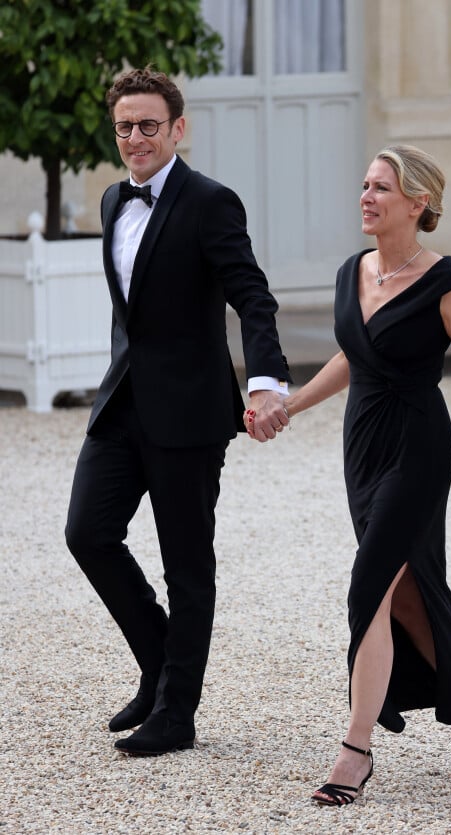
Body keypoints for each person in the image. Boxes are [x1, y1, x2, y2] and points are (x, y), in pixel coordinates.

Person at [246, 145, 451, 805]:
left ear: (417, 201)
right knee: (408, 593)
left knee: (368, 585)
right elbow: (354, 355)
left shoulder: (446, 283)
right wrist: (290, 404)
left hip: (419, 448)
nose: (366, 197)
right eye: (365, 185)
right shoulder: (353, 271)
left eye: (380, 188)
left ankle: (355, 748)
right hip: (363, 447)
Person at [65, 67, 291, 756]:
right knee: (88, 532)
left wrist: (266, 381)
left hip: (190, 412)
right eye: (125, 127)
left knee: (187, 564)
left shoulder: (211, 203)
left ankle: (176, 711)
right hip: (123, 400)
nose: (136, 137)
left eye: (149, 126)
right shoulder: (111, 201)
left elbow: (253, 298)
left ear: (178, 129)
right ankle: (161, 666)